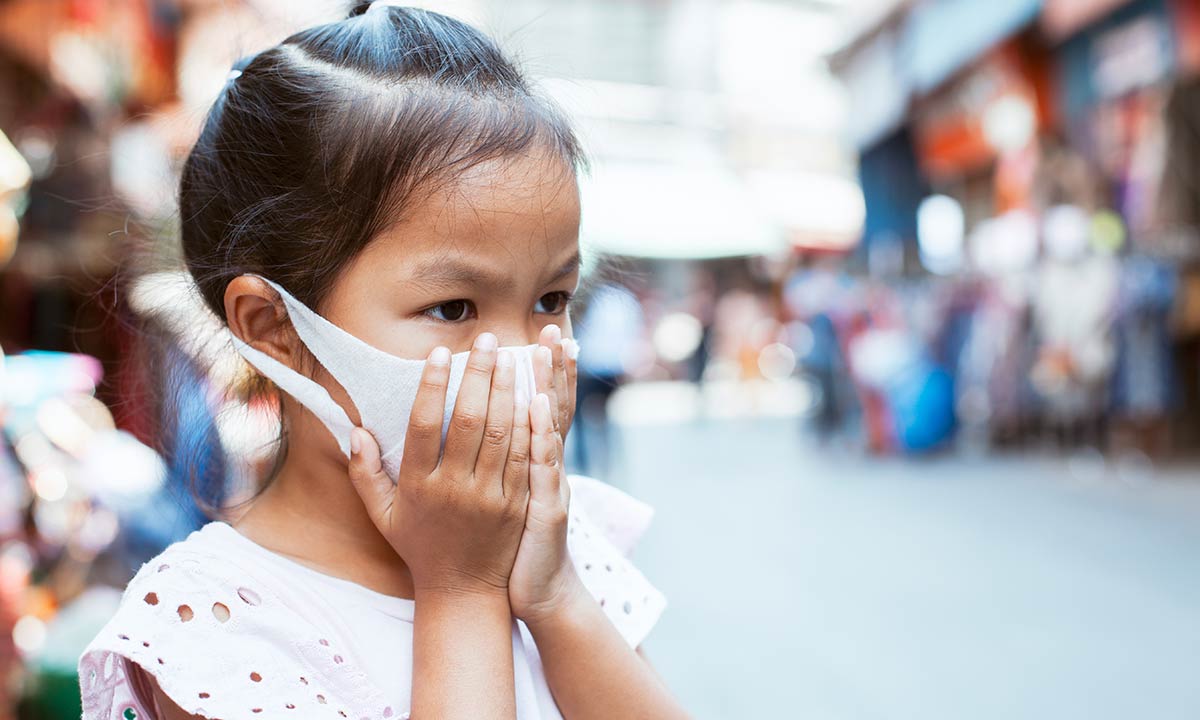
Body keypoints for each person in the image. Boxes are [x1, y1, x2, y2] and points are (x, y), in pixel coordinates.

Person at [76, 4, 684, 719]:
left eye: (551, 298)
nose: (521, 353)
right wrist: (461, 590)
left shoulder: (557, 538)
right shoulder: (217, 627)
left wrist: (555, 599)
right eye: (455, 308)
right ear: (274, 327)